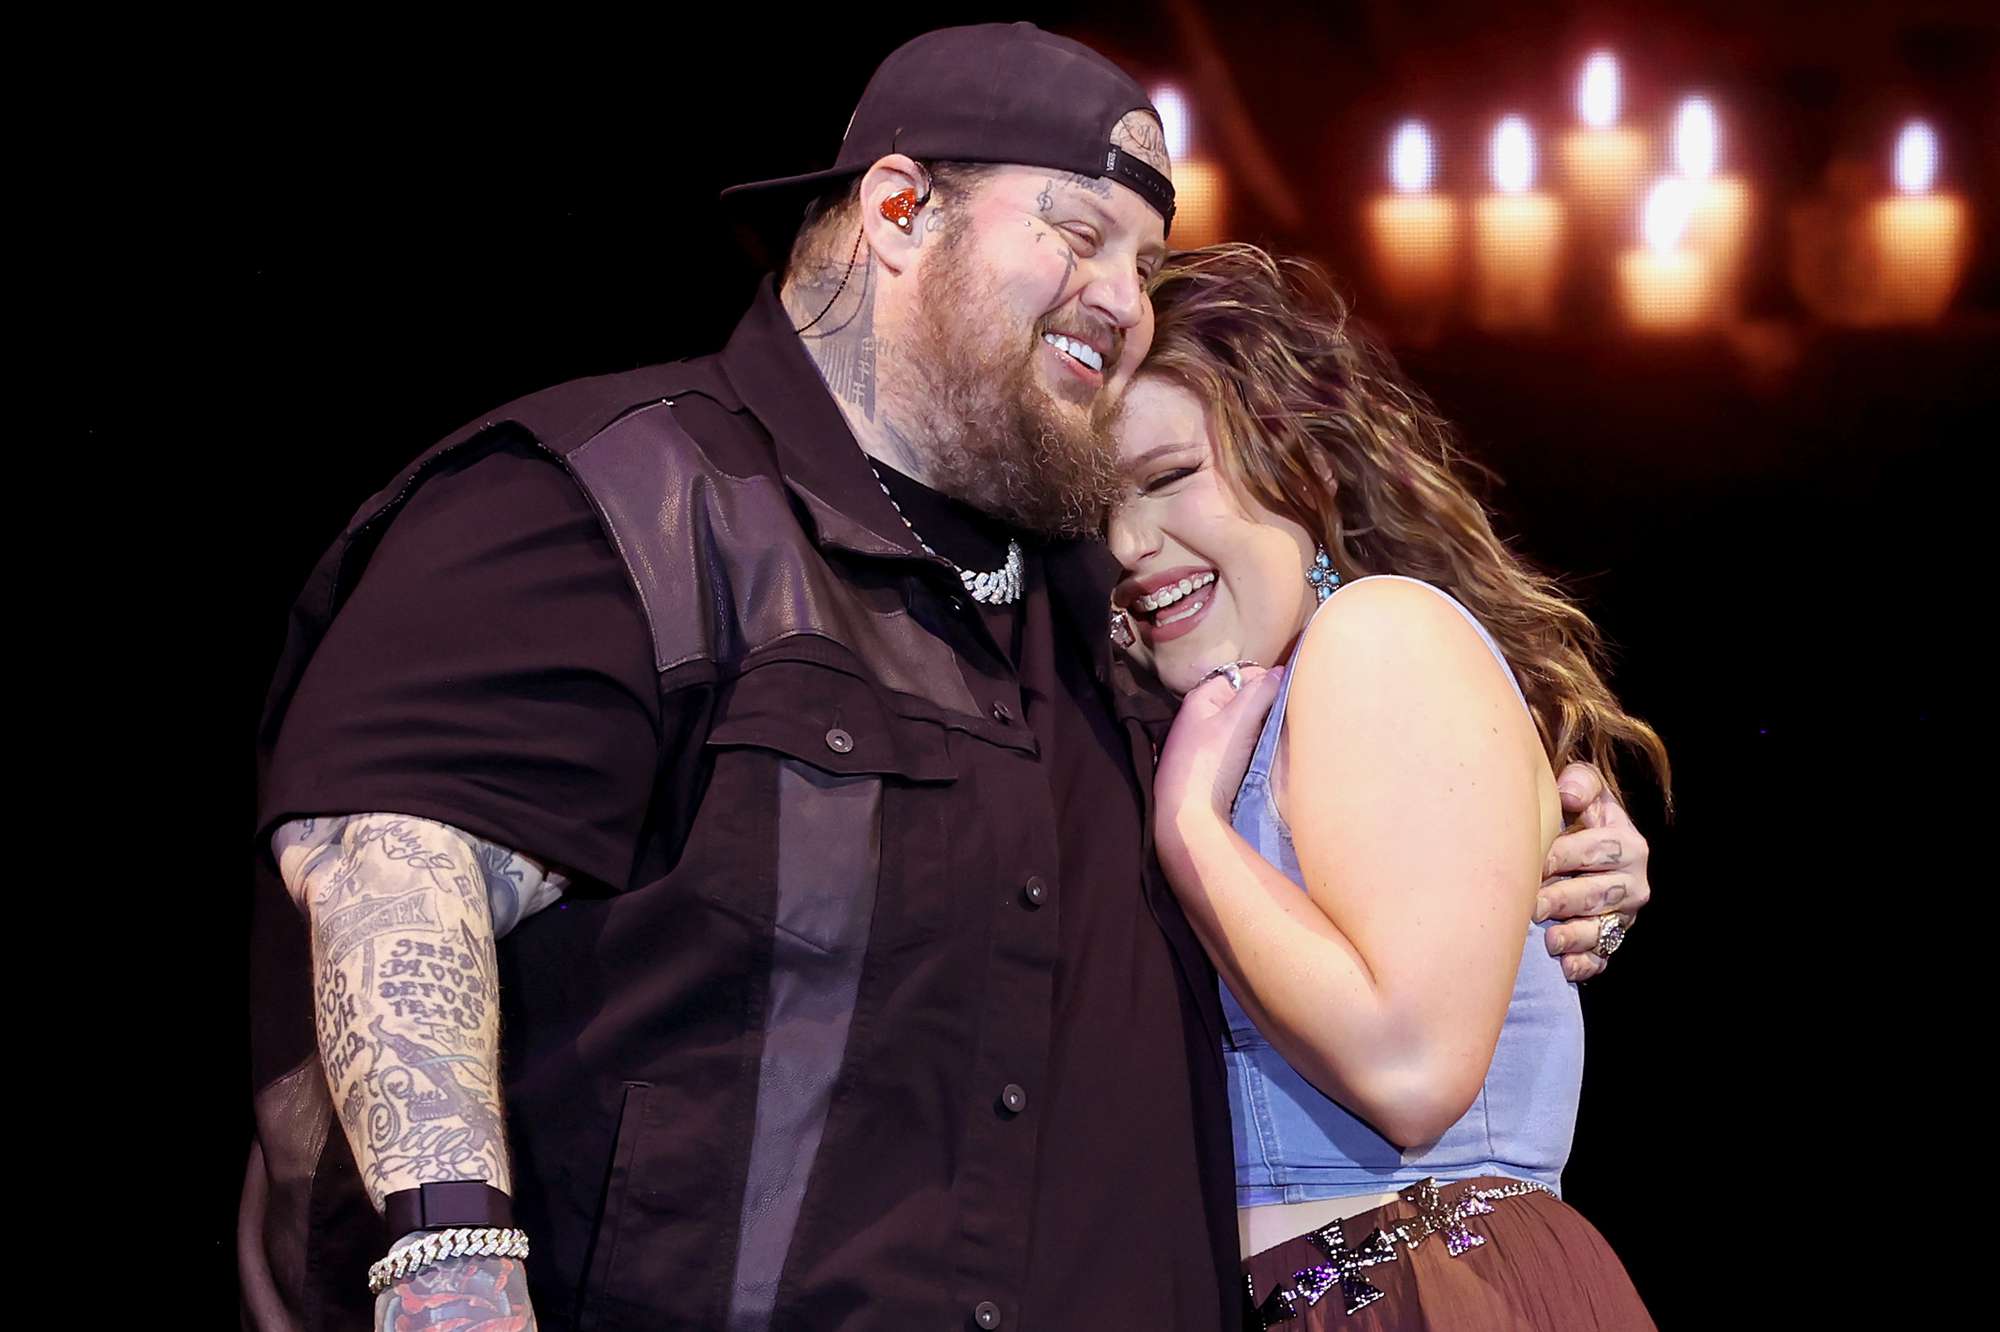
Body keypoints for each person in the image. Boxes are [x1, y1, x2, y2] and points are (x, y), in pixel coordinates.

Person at [241, 25, 1654, 1332]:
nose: (1125, 302)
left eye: (1146, 265)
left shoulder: (1096, 602)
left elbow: (1370, 796)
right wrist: (456, 1283)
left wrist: (1551, 839)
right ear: (900, 211)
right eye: (1084, 235)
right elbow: (394, 864)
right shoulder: (619, 501)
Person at [1106, 243, 1667, 1329]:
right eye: (1095, 508)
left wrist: (1189, 833)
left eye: (1169, 477)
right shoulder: (1199, 729)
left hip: (1426, 1293)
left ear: (1302, 468)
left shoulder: (1377, 634)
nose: (1128, 544)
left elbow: (1408, 1071)